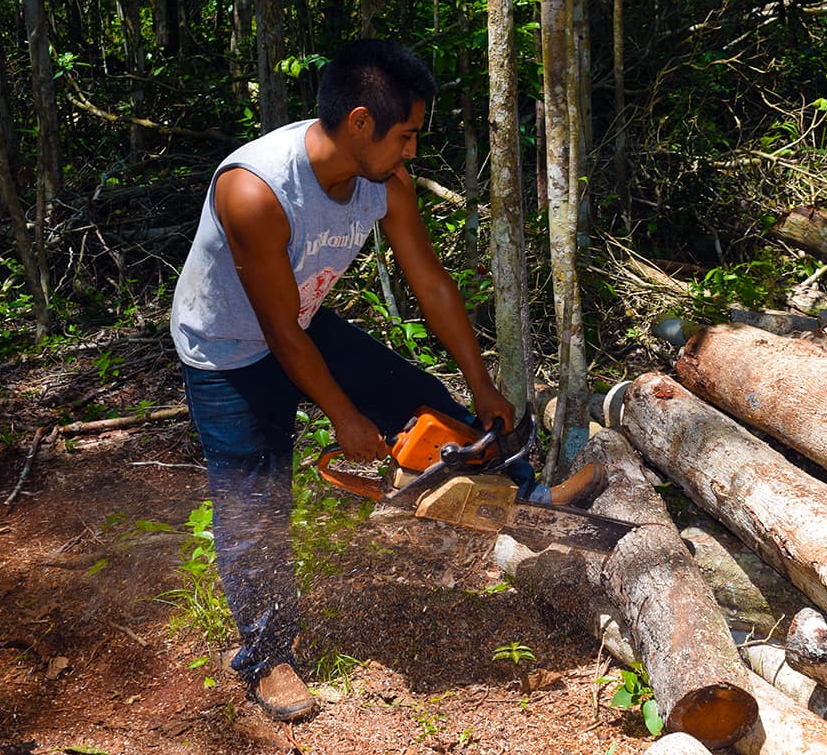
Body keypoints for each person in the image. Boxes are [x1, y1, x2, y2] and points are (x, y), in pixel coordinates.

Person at [169, 39, 600, 721]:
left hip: (300, 322)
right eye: (406, 136)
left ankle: (532, 501)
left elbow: (429, 283)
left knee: (433, 410)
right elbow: (278, 334)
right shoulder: (254, 190)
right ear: (362, 121)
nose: (411, 153)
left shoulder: (382, 181)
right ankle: (266, 656)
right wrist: (342, 415)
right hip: (227, 351)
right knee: (256, 503)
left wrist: (481, 386)